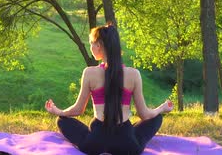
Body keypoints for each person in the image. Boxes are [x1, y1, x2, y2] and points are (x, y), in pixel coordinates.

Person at [45, 24, 173, 155]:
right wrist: (162, 108)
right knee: (157, 118)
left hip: (95, 144)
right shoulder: (134, 74)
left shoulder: (89, 73)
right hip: (128, 146)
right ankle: (129, 136)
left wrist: (58, 111)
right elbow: (145, 115)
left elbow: (78, 110)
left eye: (91, 44)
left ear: (99, 45)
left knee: (62, 120)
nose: (91, 48)